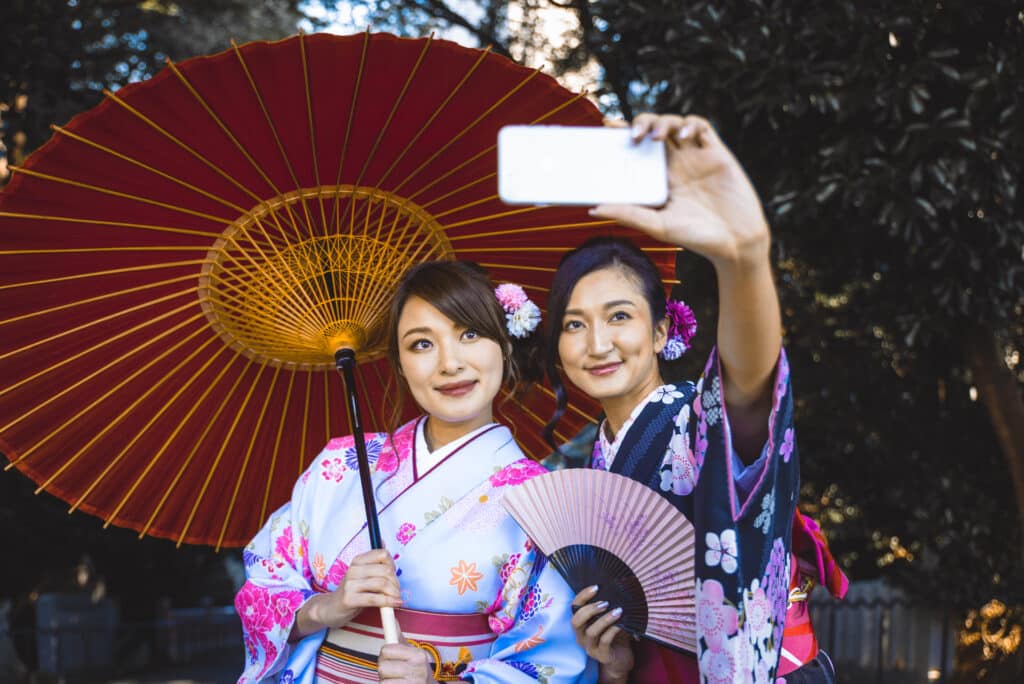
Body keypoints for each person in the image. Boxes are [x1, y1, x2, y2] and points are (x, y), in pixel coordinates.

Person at [540, 114, 840, 683]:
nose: (597, 344)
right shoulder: (590, 463)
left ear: (660, 332)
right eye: (574, 325)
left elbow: (748, 386)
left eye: (619, 317)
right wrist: (613, 665)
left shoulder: (693, 421)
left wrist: (743, 259)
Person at [235, 262, 590, 683]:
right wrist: (323, 608)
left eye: (470, 334)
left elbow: (551, 662)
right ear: (401, 364)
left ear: (505, 346)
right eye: (422, 344)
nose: (449, 363)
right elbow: (262, 584)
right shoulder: (340, 465)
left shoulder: (542, 502)